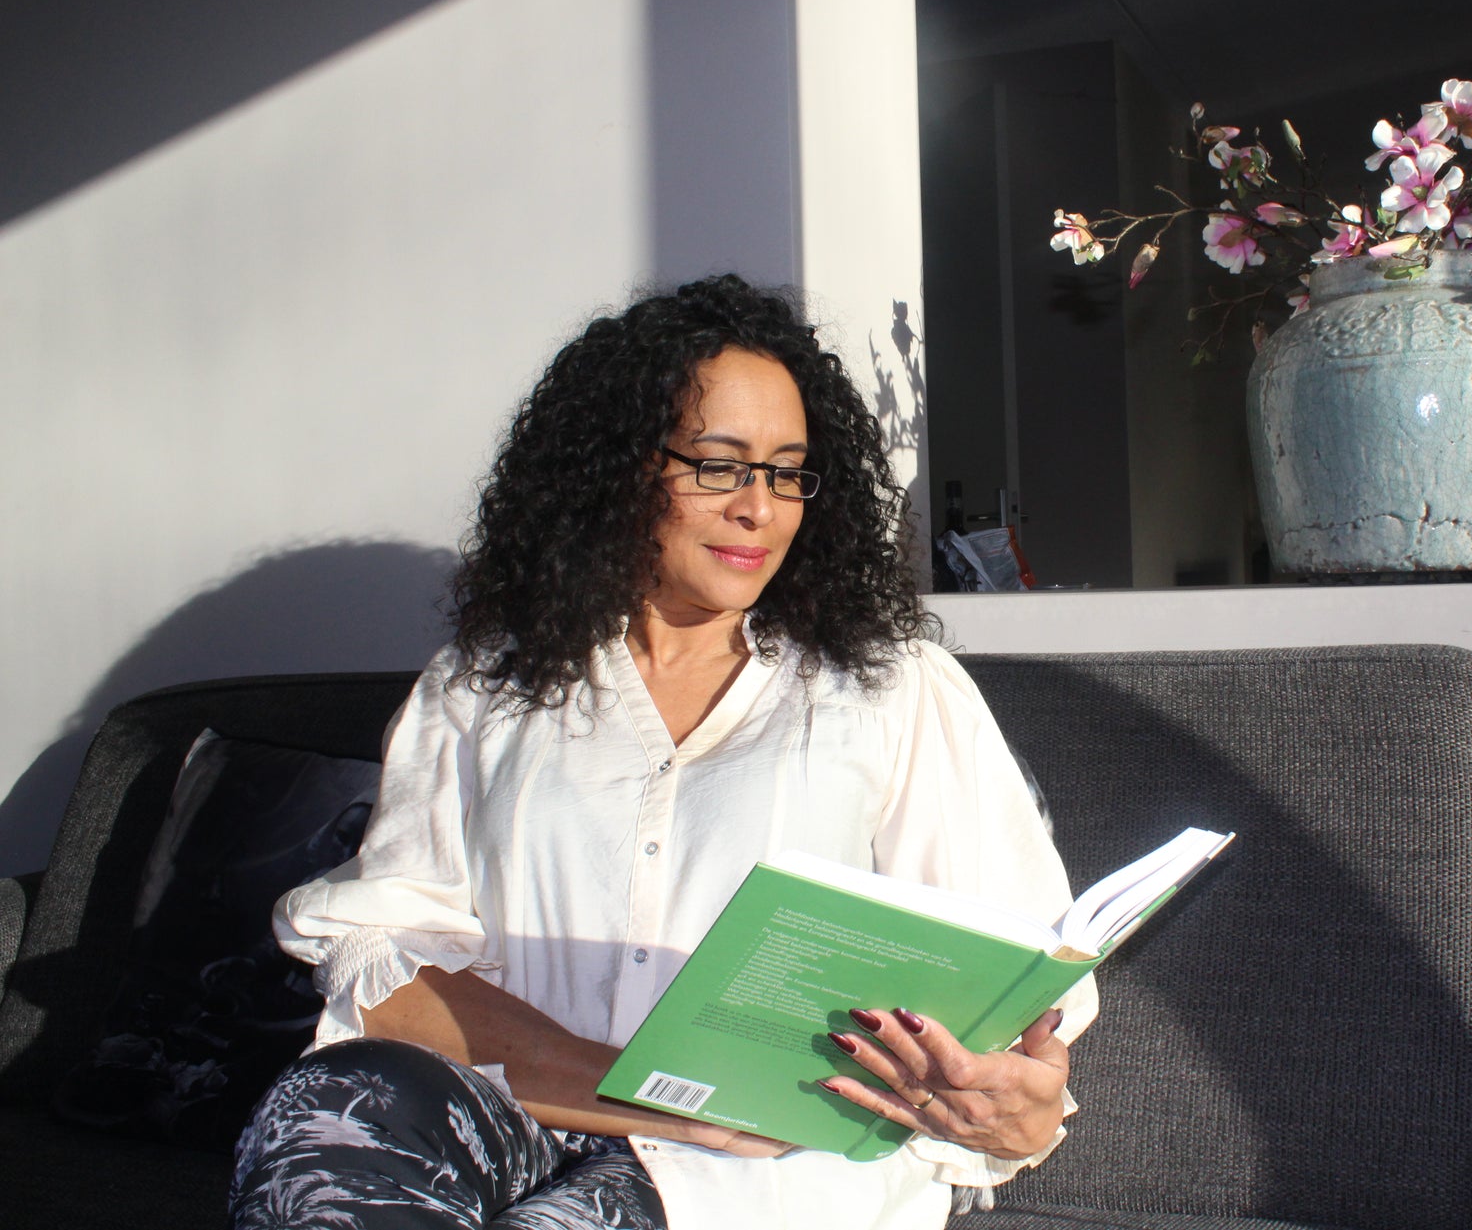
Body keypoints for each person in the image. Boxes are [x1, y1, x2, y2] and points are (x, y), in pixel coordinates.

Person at [228, 275, 1097, 1230]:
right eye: (719, 466)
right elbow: (387, 953)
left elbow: (1008, 977)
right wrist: (629, 1089)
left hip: (759, 1171)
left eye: (787, 472)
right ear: (616, 469)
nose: (760, 508)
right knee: (326, 1108)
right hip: (522, 1113)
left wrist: (1016, 1111)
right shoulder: (484, 685)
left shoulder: (891, 687)